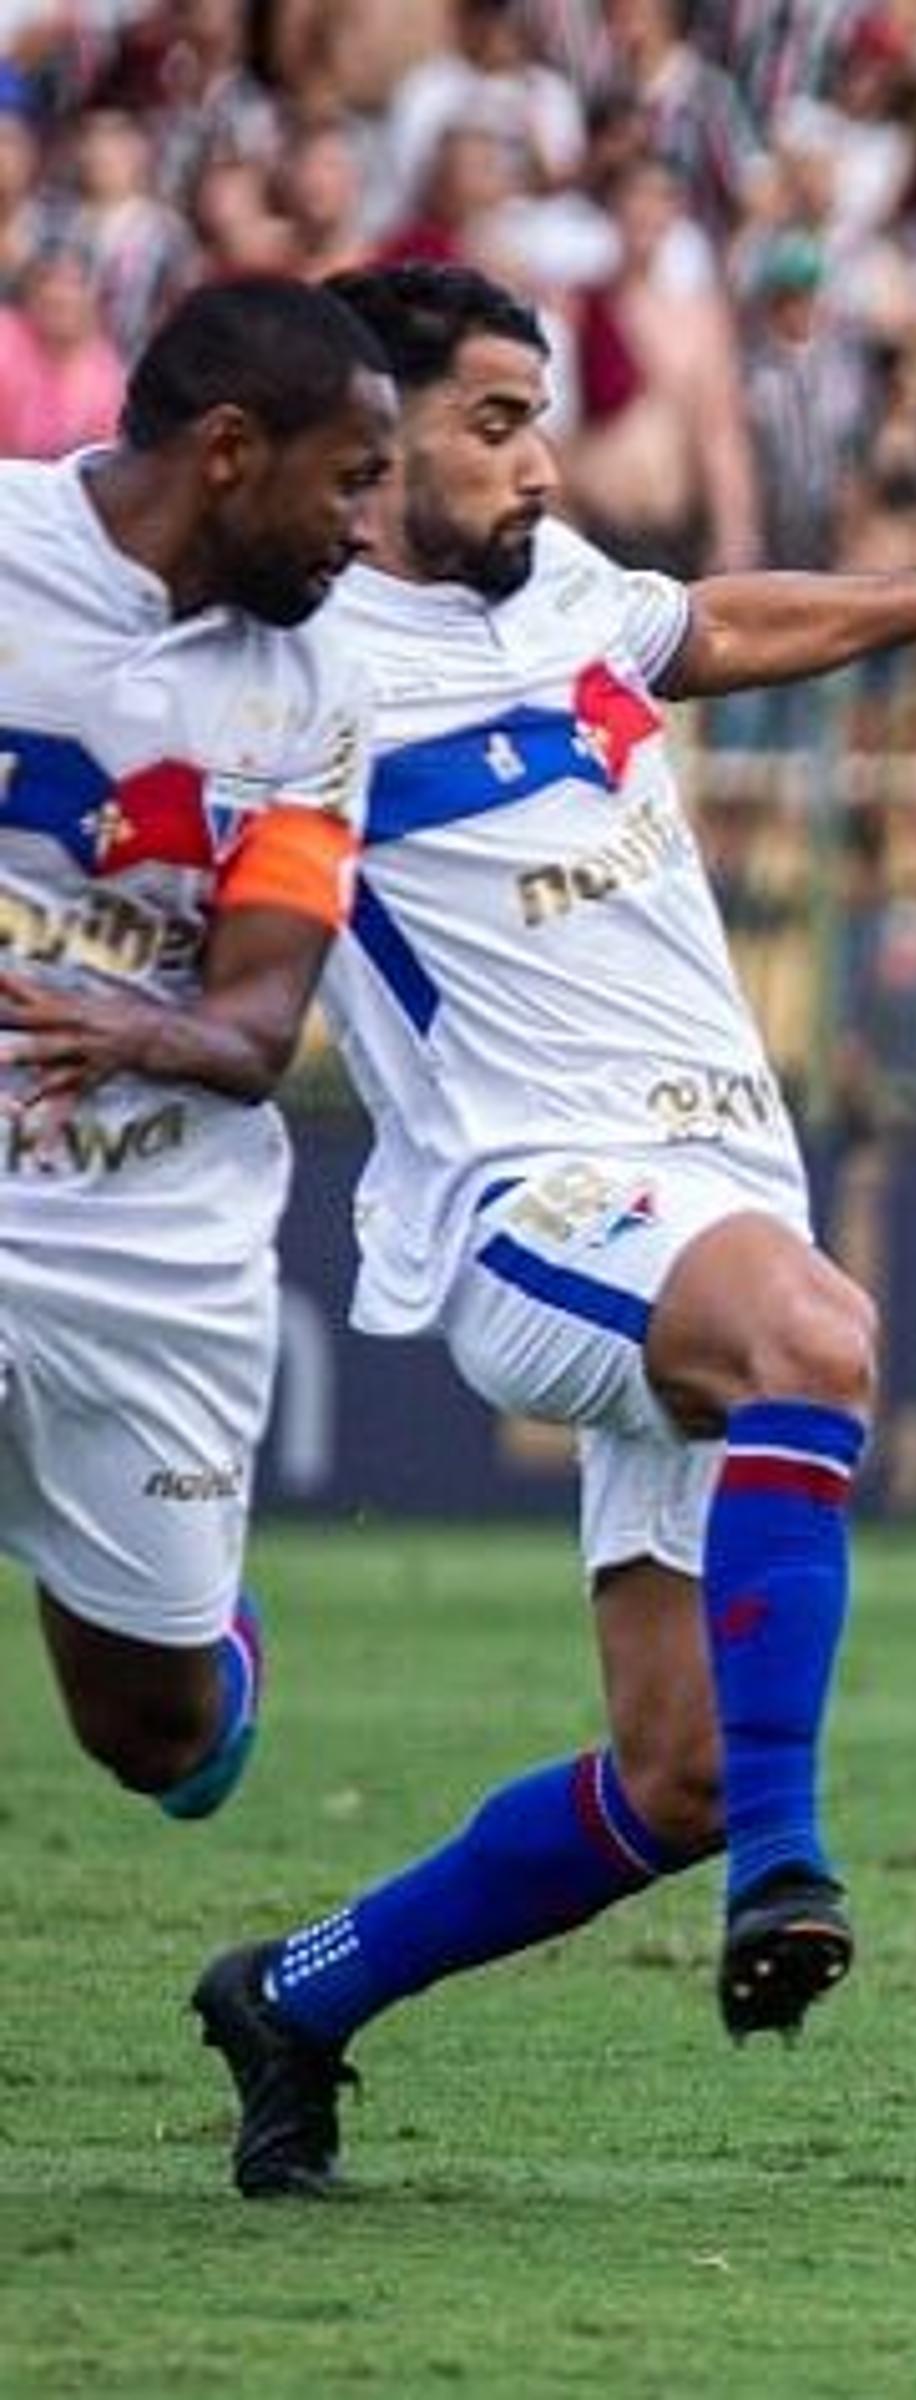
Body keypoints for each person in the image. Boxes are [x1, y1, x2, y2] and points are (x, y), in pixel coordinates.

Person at [184, 261, 916, 2200]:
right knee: (814, 1341)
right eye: (494, 425)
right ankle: (799, 1867)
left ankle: (295, 1996)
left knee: (675, 1775)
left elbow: (713, 621)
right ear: (370, 450)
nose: (541, 464)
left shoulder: (562, 599)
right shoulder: (295, 680)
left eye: (540, 419)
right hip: (531, 1199)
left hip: (714, 1189)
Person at [0, 276, 391, 1825]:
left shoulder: (315, 688)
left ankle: (205, 1639)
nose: (366, 529)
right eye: (351, 480)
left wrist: (142, 1027)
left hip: (151, 1242)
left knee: (158, 1742)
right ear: (233, 449)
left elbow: (259, 1022)